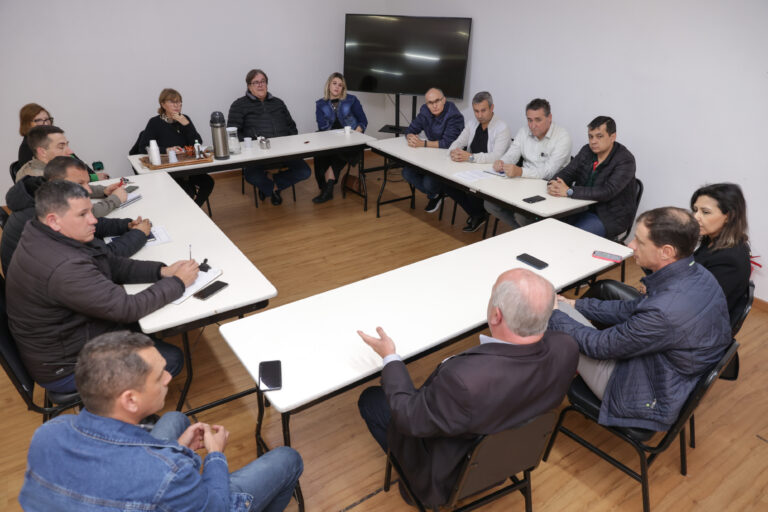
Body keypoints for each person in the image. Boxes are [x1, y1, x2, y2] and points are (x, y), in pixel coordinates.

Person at [357, 268, 579, 507]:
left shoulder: (465, 381)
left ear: (496, 315)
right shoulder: (566, 347)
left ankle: (413, 485)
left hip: (450, 475)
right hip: (508, 459)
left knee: (371, 400)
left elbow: (409, 417)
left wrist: (390, 358)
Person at [19, 331, 303, 511]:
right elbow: (216, 506)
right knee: (288, 459)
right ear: (130, 400)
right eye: (159, 376)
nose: (169, 378)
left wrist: (178, 448)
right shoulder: (169, 474)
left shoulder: (48, 434)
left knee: (175, 418)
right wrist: (216, 455)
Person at [549, 207, 732, 431]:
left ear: (666, 251)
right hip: (669, 375)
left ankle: (524, 391)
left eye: (639, 241)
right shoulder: (699, 275)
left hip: (641, 392)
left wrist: (554, 311)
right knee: (563, 313)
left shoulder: (664, 311)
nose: (630, 246)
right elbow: (634, 308)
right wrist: (577, 304)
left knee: (548, 316)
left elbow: (600, 346)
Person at [5, 180, 197, 393]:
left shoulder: (42, 232)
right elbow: (127, 308)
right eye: (83, 214)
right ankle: (116, 418)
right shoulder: (64, 266)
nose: (93, 220)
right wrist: (178, 282)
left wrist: (161, 271)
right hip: (67, 366)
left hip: (63, 342)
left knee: (150, 328)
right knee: (169, 360)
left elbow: (110, 263)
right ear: (54, 220)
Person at [0, 157, 150, 276]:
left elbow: (90, 224)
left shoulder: (46, 196)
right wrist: (139, 234)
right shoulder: (44, 214)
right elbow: (103, 259)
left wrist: (125, 225)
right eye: (80, 183)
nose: (88, 191)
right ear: (56, 182)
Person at [228, 68, 311, 205]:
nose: (260, 85)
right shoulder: (239, 105)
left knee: (305, 171)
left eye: (263, 81)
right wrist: (251, 145)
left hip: (284, 152)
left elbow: (292, 126)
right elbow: (233, 133)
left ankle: (270, 185)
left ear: (267, 83)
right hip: (257, 155)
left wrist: (290, 143)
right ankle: (272, 188)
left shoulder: (278, 103)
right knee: (251, 176)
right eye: (256, 82)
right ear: (249, 86)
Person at [484, 98, 572, 228]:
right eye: (529, 120)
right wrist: (502, 162)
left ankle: (528, 235)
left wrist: (520, 171)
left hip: (549, 189)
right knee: (490, 204)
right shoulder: (524, 131)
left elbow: (548, 172)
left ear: (550, 118)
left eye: (538, 120)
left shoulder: (563, 137)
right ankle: (522, 232)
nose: (533, 125)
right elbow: (513, 153)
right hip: (523, 184)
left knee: (522, 215)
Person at [546, 116, 636, 238]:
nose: (593, 141)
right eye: (590, 136)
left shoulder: (625, 160)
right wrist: (554, 184)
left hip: (609, 217)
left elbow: (607, 192)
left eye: (599, 136)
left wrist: (569, 191)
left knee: (572, 237)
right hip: (579, 207)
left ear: (612, 137)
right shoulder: (587, 151)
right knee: (547, 226)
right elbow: (567, 172)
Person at [135, 88, 215, 206]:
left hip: (187, 166)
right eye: (173, 102)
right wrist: (166, 150)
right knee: (187, 191)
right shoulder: (154, 122)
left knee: (208, 183)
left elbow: (197, 143)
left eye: (179, 102)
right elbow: (143, 147)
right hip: (168, 170)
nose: (177, 105)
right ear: (163, 104)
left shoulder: (184, 119)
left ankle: (194, 209)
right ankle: (188, 211)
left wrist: (186, 125)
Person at [445, 91, 511, 232]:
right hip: (469, 168)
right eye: (476, 111)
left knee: (470, 189)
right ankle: (477, 214)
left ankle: (478, 214)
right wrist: (453, 151)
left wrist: (470, 157)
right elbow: (459, 141)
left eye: (483, 110)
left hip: (490, 173)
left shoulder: (502, 128)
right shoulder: (472, 123)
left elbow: (496, 156)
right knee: (446, 183)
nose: (479, 115)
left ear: (492, 108)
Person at [691, 183, 751, 324]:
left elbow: (697, 305)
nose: (695, 217)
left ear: (729, 216)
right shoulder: (711, 240)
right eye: (695, 210)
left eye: (705, 212)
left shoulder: (729, 259)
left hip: (700, 328)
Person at [402, 87, 464, 213]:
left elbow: (448, 143)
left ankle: (437, 192)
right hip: (430, 155)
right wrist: (410, 137)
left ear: (444, 100)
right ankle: (435, 194)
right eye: (430, 103)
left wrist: (422, 143)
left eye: (437, 101)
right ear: (426, 104)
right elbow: (411, 129)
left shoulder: (454, 115)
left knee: (428, 182)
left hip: (448, 157)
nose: (434, 105)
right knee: (406, 172)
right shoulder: (425, 111)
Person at [312, 72, 368, 203]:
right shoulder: (321, 104)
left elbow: (363, 121)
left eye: (340, 85)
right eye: (334, 83)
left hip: (350, 142)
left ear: (343, 88)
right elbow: (322, 126)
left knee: (338, 154)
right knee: (320, 154)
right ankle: (325, 187)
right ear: (329, 85)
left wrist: (356, 134)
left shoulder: (351, 100)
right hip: (330, 141)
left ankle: (328, 190)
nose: (337, 87)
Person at [16, 105, 107, 180]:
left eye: (47, 119)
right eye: (39, 120)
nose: (45, 123)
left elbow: (76, 163)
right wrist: (93, 178)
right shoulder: (27, 149)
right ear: (27, 124)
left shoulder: (54, 141)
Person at [15, 125, 119, 188]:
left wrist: (105, 189)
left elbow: (78, 188)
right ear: (42, 152)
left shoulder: (49, 169)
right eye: (61, 147)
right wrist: (115, 199)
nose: (70, 151)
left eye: (67, 145)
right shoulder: (43, 180)